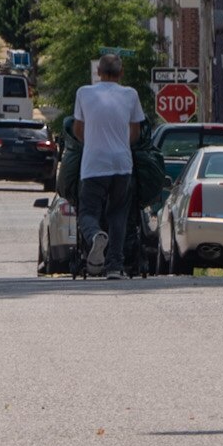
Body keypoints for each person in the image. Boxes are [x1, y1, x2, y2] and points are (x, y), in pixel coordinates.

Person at [73, 53, 146, 278]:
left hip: (94, 163)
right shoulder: (131, 94)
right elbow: (135, 132)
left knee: (87, 211)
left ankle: (95, 235)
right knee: (118, 214)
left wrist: (94, 143)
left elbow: (77, 129)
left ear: (98, 72)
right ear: (121, 73)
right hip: (122, 163)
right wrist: (121, 144)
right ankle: (114, 265)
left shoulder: (84, 93)